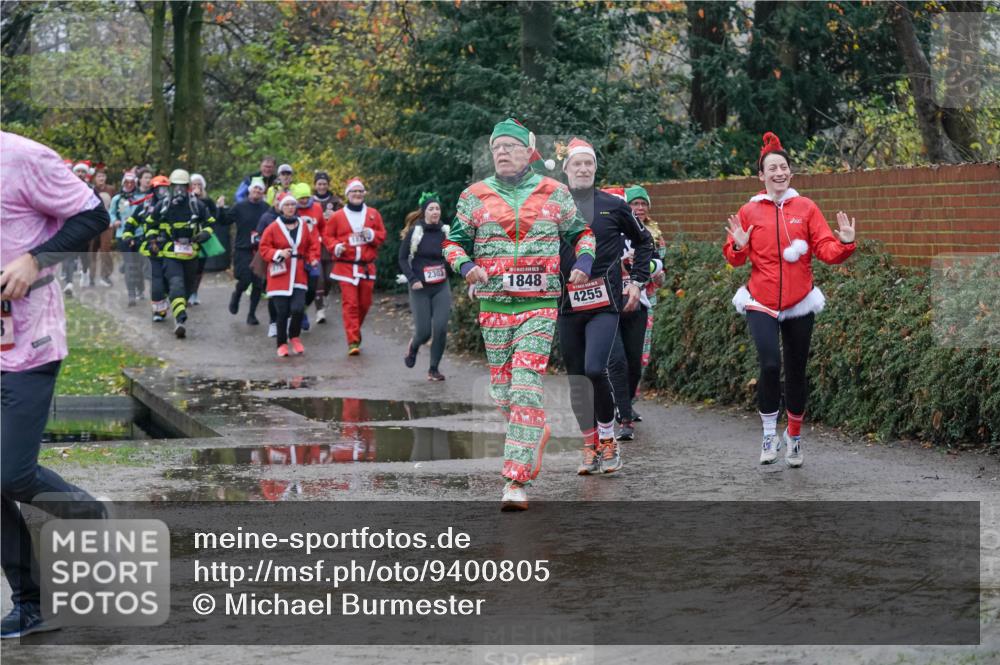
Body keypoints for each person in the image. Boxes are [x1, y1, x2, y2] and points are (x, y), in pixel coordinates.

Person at [443, 118, 595, 510]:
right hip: (494, 306)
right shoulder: (473, 195)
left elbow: (582, 233)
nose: (502, 153)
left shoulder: (554, 192)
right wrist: (465, 267)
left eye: (510, 146)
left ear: (528, 152)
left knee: (526, 385)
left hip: (539, 305)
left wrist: (583, 260)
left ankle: (515, 480)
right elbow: (453, 243)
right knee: (504, 392)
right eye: (496, 148)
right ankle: (536, 429)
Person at [1, 131, 110, 639]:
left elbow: (94, 214)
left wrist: (35, 258)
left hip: (28, 341)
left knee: (12, 475)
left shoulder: (23, 157)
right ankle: (28, 604)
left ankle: (88, 515)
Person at [723, 132, 857, 467]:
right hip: (761, 300)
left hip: (800, 301)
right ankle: (769, 434)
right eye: (772, 168)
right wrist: (738, 245)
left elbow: (825, 249)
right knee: (770, 365)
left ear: (790, 173)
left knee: (796, 371)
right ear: (761, 175)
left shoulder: (807, 207)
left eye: (784, 167)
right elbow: (735, 259)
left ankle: (794, 438)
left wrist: (845, 244)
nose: (779, 172)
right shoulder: (749, 211)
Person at [557, 139, 654, 475]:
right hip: (566, 305)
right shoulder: (553, 207)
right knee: (577, 380)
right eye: (577, 164)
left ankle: (608, 438)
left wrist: (637, 281)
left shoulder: (614, 206)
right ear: (566, 169)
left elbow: (645, 242)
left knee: (596, 369)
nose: (583, 169)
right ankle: (589, 444)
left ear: (595, 169)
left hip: (604, 303)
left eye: (589, 164)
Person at [147, 169, 215, 338]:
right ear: (171, 187)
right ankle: (180, 320)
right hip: (171, 254)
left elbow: (209, 223)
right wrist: (153, 241)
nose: (179, 190)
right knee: (176, 283)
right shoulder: (163, 205)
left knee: (187, 288)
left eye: (182, 187)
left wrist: (204, 234)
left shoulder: (196, 205)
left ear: (188, 187)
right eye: (175, 186)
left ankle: (179, 310)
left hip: (191, 254)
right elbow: (150, 225)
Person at [324, 177, 386, 355]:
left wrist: (372, 234)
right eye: (354, 191)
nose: (357, 194)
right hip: (345, 267)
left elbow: (382, 235)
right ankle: (352, 341)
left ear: (364, 194)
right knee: (350, 304)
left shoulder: (373, 214)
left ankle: (355, 331)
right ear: (347, 195)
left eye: (360, 191)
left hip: (366, 267)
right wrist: (336, 246)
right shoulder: (337, 216)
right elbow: (328, 236)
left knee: (365, 303)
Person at [259, 194, 321, 357]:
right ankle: (281, 343)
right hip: (279, 273)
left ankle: (294, 336)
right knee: (282, 312)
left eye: (293, 205)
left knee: (298, 308)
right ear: (281, 208)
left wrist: (313, 258)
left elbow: (311, 245)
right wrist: (278, 253)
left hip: (299, 273)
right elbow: (263, 248)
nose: (291, 208)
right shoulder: (273, 227)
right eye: (287, 205)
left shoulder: (303, 225)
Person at [398, 191, 452, 381]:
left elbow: (454, 255)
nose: (435, 211)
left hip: (441, 286)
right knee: (423, 332)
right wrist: (413, 280)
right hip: (420, 288)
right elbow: (403, 258)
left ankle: (433, 369)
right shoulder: (415, 232)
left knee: (440, 327)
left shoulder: (446, 231)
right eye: (431, 208)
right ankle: (413, 346)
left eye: (437, 208)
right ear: (424, 212)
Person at [221, 177, 269, 325]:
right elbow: (224, 221)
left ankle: (251, 314)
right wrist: (221, 208)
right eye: (255, 188)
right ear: (250, 190)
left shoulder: (266, 208)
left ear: (263, 193)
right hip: (243, 248)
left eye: (260, 189)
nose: (257, 191)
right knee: (245, 279)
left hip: (259, 250)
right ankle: (237, 294)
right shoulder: (239, 206)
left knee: (258, 284)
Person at [123, 174, 170, 320]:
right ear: (153, 190)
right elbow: (131, 223)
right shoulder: (145, 205)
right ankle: (158, 311)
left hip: (172, 249)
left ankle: (168, 298)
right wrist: (129, 236)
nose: (163, 193)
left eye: (165, 189)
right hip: (152, 249)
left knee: (170, 280)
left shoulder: (174, 205)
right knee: (155, 280)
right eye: (159, 189)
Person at [109, 170, 147, 305]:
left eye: (132, 182)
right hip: (123, 235)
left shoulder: (141, 198)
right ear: (123, 183)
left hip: (139, 234)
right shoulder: (117, 199)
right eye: (127, 182)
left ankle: (140, 289)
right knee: (131, 264)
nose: (129, 185)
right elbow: (111, 213)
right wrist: (115, 221)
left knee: (139, 264)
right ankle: (131, 294)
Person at [291, 182, 325, 330]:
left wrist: (323, 238)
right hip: (298, 255)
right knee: (300, 288)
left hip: (314, 254)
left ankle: (303, 309)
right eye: (300, 198)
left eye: (306, 197)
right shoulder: (292, 210)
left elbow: (323, 226)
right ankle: (301, 316)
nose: (303, 201)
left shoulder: (317, 208)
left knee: (313, 287)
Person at [312, 171, 343, 324]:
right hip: (315, 244)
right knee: (319, 278)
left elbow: (344, 218)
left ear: (328, 185)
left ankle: (323, 297)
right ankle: (320, 310)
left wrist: (335, 215)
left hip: (330, 244)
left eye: (324, 184)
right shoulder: (310, 201)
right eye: (319, 184)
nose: (322, 186)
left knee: (330, 277)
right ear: (315, 185)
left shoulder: (336, 201)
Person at [186, 173, 218, 306]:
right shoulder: (185, 200)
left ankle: (194, 293)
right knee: (187, 266)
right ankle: (185, 293)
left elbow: (214, 217)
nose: (197, 187)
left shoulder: (207, 201)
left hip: (203, 237)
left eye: (199, 185)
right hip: (188, 237)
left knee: (199, 267)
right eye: (194, 184)